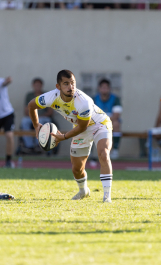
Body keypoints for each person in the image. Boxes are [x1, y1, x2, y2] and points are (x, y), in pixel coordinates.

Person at [28, 70, 113, 203]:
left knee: (104, 153)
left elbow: (83, 127)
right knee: (77, 169)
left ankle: (107, 196)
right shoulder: (51, 97)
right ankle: (83, 191)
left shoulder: (83, 102)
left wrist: (64, 137)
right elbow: (31, 105)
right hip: (80, 128)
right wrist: (36, 125)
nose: (70, 87)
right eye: (66, 84)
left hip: (99, 124)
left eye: (72, 83)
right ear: (58, 87)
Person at [21, 78, 53, 152]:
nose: (37, 87)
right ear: (33, 86)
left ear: (42, 86)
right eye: (36, 85)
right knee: (24, 121)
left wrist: (41, 116)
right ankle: (29, 145)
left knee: (40, 121)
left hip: (44, 118)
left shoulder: (47, 95)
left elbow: (50, 111)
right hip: (31, 117)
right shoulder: (29, 95)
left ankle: (38, 144)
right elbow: (26, 111)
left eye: (39, 85)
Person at [93, 79, 122, 159]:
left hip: (110, 123)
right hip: (97, 123)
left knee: (116, 124)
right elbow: (91, 115)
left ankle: (115, 151)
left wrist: (104, 121)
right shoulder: (94, 99)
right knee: (87, 125)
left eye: (106, 87)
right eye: (102, 87)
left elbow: (116, 115)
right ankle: (90, 152)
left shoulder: (115, 99)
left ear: (109, 88)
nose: (104, 89)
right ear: (99, 88)